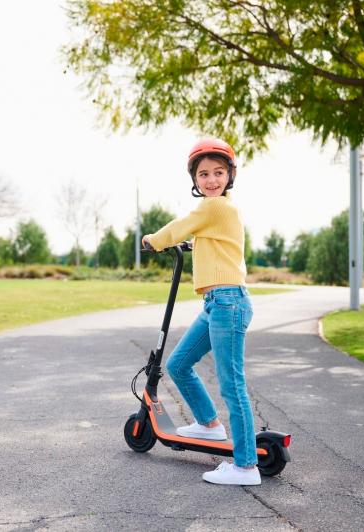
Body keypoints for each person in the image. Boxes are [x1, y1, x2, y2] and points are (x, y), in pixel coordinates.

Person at [142, 138, 259, 486]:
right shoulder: (220, 213)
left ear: (229, 175)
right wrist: (194, 245)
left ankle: (245, 465)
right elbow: (210, 240)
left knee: (232, 384)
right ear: (195, 178)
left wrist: (154, 239)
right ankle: (210, 425)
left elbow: (179, 225)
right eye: (203, 173)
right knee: (178, 364)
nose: (211, 180)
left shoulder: (214, 207)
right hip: (217, 304)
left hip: (228, 302)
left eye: (218, 172)